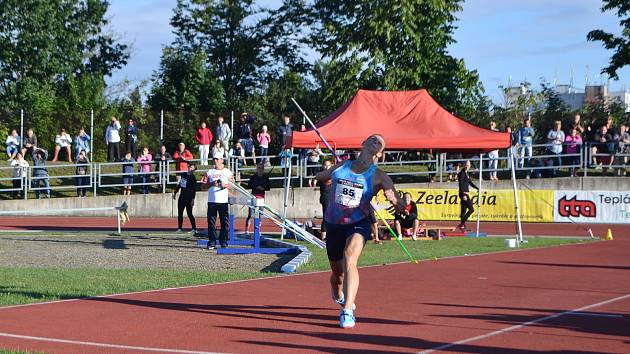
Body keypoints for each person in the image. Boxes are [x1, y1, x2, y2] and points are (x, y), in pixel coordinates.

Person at [316, 134, 406, 329]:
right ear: (363, 144)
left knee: (350, 256)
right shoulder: (342, 166)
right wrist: (328, 175)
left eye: (380, 143)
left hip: (359, 222)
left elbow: (400, 206)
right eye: (373, 139)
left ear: (381, 154)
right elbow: (320, 177)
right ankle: (337, 290)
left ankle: (347, 310)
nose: (376, 142)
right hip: (334, 224)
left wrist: (396, 201)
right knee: (337, 274)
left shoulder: (379, 176)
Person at [204, 153, 234, 249]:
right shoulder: (209, 172)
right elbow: (202, 185)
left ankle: (223, 241)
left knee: (225, 223)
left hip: (223, 201)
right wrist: (212, 183)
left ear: (222, 160)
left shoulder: (227, 172)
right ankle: (212, 241)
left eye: (218, 159)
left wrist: (225, 185)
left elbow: (233, 186)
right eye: (214, 159)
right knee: (211, 223)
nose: (216, 161)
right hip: (212, 201)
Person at [245, 163, 270, 234]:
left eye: (261, 168)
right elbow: (249, 186)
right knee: (251, 214)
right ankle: (247, 230)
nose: (260, 170)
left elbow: (268, 187)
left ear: (263, 169)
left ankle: (258, 230)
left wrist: (263, 188)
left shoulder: (266, 178)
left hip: (261, 198)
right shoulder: (253, 177)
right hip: (253, 197)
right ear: (256, 169)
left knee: (260, 214)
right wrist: (256, 187)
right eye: (258, 168)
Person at [173, 163, 198, 234]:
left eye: (193, 168)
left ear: (194, 170)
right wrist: (175, 192)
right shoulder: (184, 174)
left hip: (189, 198)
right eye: (190, 167)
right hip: (182, 197)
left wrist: (193, 199)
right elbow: (181, 184)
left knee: (189, 213)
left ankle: (194, 229)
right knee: (180, 213)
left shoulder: (193, 178)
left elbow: (194, 190)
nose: (191, 169)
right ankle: (180, 228)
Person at [457, 160, 478, 231]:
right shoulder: (461, 173)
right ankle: (462, 223)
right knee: (471, 209)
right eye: (466, 165)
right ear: (464, 165)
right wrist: (463, 195)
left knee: (463, 210)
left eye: (468, 165)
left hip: (466, 193)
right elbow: (461, 185)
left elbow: (470, 182)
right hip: (463, 193)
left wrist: (477, 188)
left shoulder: (467, 173)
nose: (467, 167)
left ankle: (462, 226)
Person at [316, 159, 333, 240]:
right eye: (325, 165)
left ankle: (330, 234)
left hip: (332, 197)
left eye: (328, 165)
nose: (326, 167)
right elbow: (316, 178)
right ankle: (323, 235)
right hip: (325, 197)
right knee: (326, 216)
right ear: (323, 166)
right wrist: (312, 181)